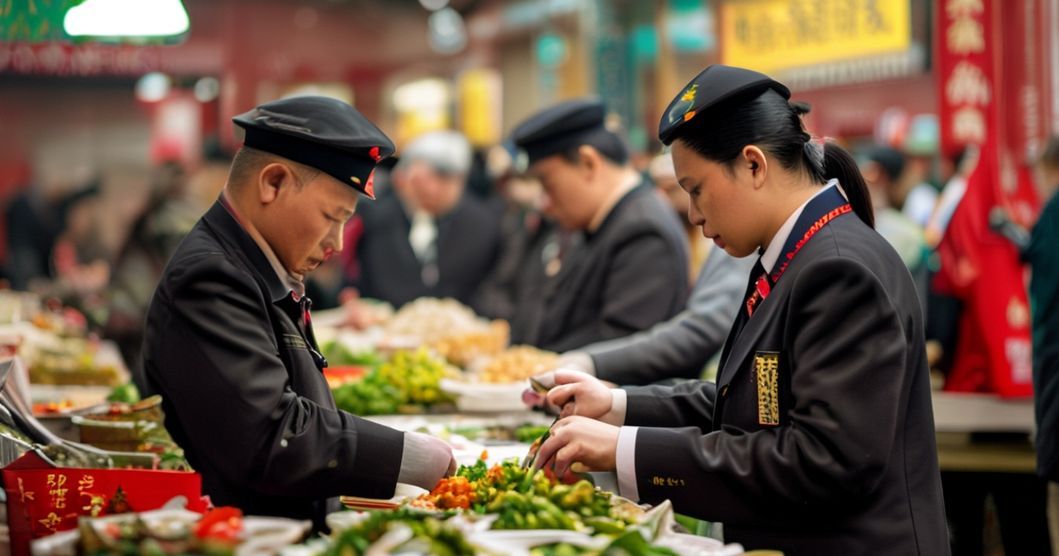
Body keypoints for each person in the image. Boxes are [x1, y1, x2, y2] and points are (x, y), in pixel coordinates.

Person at [529, 65, 949, 554]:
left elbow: (823, 460)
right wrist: (617, 405)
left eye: (696, 189)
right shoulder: (794, 253)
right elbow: (751, 406)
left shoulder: (836, 269)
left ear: (753, 165)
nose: (693, 214)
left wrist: (626, 450)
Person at [142, 97, 454, 529]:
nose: (338, 243)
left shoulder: (249, 265)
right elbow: (272, 435)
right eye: (332, 216)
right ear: (273, 183)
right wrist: (412, 456)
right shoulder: (213, 277)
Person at [508, 98, 689, 352]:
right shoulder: (601, 221)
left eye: (547, 183)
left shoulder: (643, 231)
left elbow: (622, 348)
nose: (543, 202)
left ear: (588, 162)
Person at [348, 130, 500, 308]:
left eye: (445, 179)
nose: (433, 189)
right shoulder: (374, 220)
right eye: (424, 180)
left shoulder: (482, 225)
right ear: (401, 178)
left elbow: (491, 286)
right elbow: (355, 282)